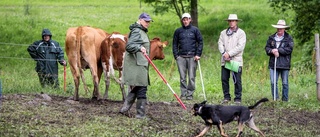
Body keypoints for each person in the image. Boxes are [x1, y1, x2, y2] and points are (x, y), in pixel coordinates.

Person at [119, 12, 152, 119]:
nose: (148, 23)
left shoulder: (141, 31)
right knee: (142, 87)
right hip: (137, 64)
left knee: (138, 86)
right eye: (146, 21)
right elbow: (129, 46)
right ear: (140, 20)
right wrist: (139, 47)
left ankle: (124, 109)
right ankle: (140, 115)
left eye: (149, 22)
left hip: (141, 63)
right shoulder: (137, 31)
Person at [172, 13, 203, 100]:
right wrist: (176, 55)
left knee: (191, 76)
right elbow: (174, 44)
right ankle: (183, 93)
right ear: (182, 20)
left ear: (190, 20)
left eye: (187, 19)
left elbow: (200, 42)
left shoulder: (195, 30)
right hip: (181, 57)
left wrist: (198, 54)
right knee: (182, 77)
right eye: (184, 20)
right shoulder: (178, 31)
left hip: (192, 57)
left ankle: (190, 94)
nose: (185, 21)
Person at [218, 14, 246, 104]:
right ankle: (226, 97)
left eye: (233, 21)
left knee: (237, 79)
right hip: (225, 60)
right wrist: (224, 53)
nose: (231, 22)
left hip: (235, 60)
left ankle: (238, 97)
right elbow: (220, 44)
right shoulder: (223, 33)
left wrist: (229, 54)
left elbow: (240, 46)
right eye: (230, 21)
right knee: (224, 79)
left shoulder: (241, 33)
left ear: (236, 22)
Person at [265, 20, 293, 101]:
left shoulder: (288, 38)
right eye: (278, 28)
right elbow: (267, 48)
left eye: (281, 29)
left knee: (285, 83)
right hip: (273, 64)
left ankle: (285, 100)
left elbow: (289, 49)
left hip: (284, 64)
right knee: (273, 82)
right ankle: (275, 98)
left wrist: (278, 50)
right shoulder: (271, 38)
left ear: (284, 29)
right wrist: (272, 51)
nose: (279, 30)